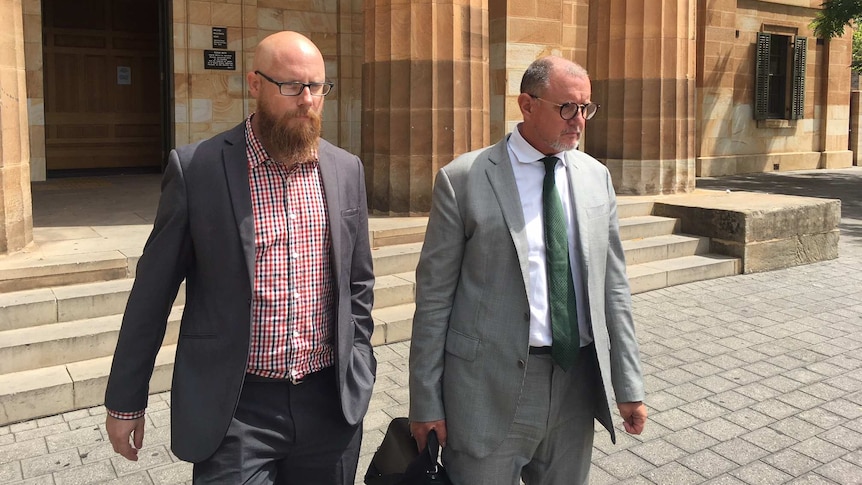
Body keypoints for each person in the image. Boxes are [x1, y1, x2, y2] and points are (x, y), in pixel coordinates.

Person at [103, 31, 376, 484]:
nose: (307, 100)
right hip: (237, 409)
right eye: (291, 86)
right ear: (254, 83)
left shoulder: (346, 169)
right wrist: (126, 401)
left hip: (330, 405)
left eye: (317, 87)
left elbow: (359, 283)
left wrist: (359, 363)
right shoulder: (199, 170)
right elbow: (151, 295)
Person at [408, 56, 647, 484]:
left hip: (575, 383)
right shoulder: (463, 179)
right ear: (527, 104)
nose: (578, 121)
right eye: (567, 108)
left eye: (586, 108)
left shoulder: (596, 177)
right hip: (487, 389)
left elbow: (614, 288)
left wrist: (628, 385)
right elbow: (433, 300)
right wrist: (425, 400)